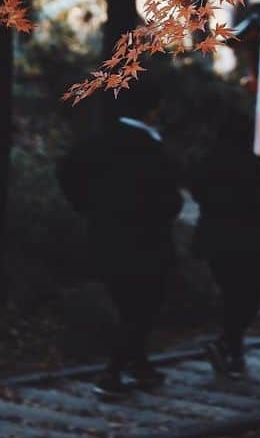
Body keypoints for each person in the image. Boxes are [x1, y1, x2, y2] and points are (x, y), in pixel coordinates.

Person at [57, 78, 183, 397]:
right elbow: (169, 198)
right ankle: (113, 372)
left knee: (128, 302)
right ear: (152, 112)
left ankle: (140, 367)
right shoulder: (152, 149)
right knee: (143, 306)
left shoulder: (101, 139)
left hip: (105, 233)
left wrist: (86, 205)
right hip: (147, 239)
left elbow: (67, 169)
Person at [190, 108, 260, 377]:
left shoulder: (208, 161)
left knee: (231, 294)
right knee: (247, 298)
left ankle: (230, 347)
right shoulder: (253, 164)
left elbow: (197, 191)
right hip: (247, 240)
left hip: (215, 238)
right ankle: (231, 348)